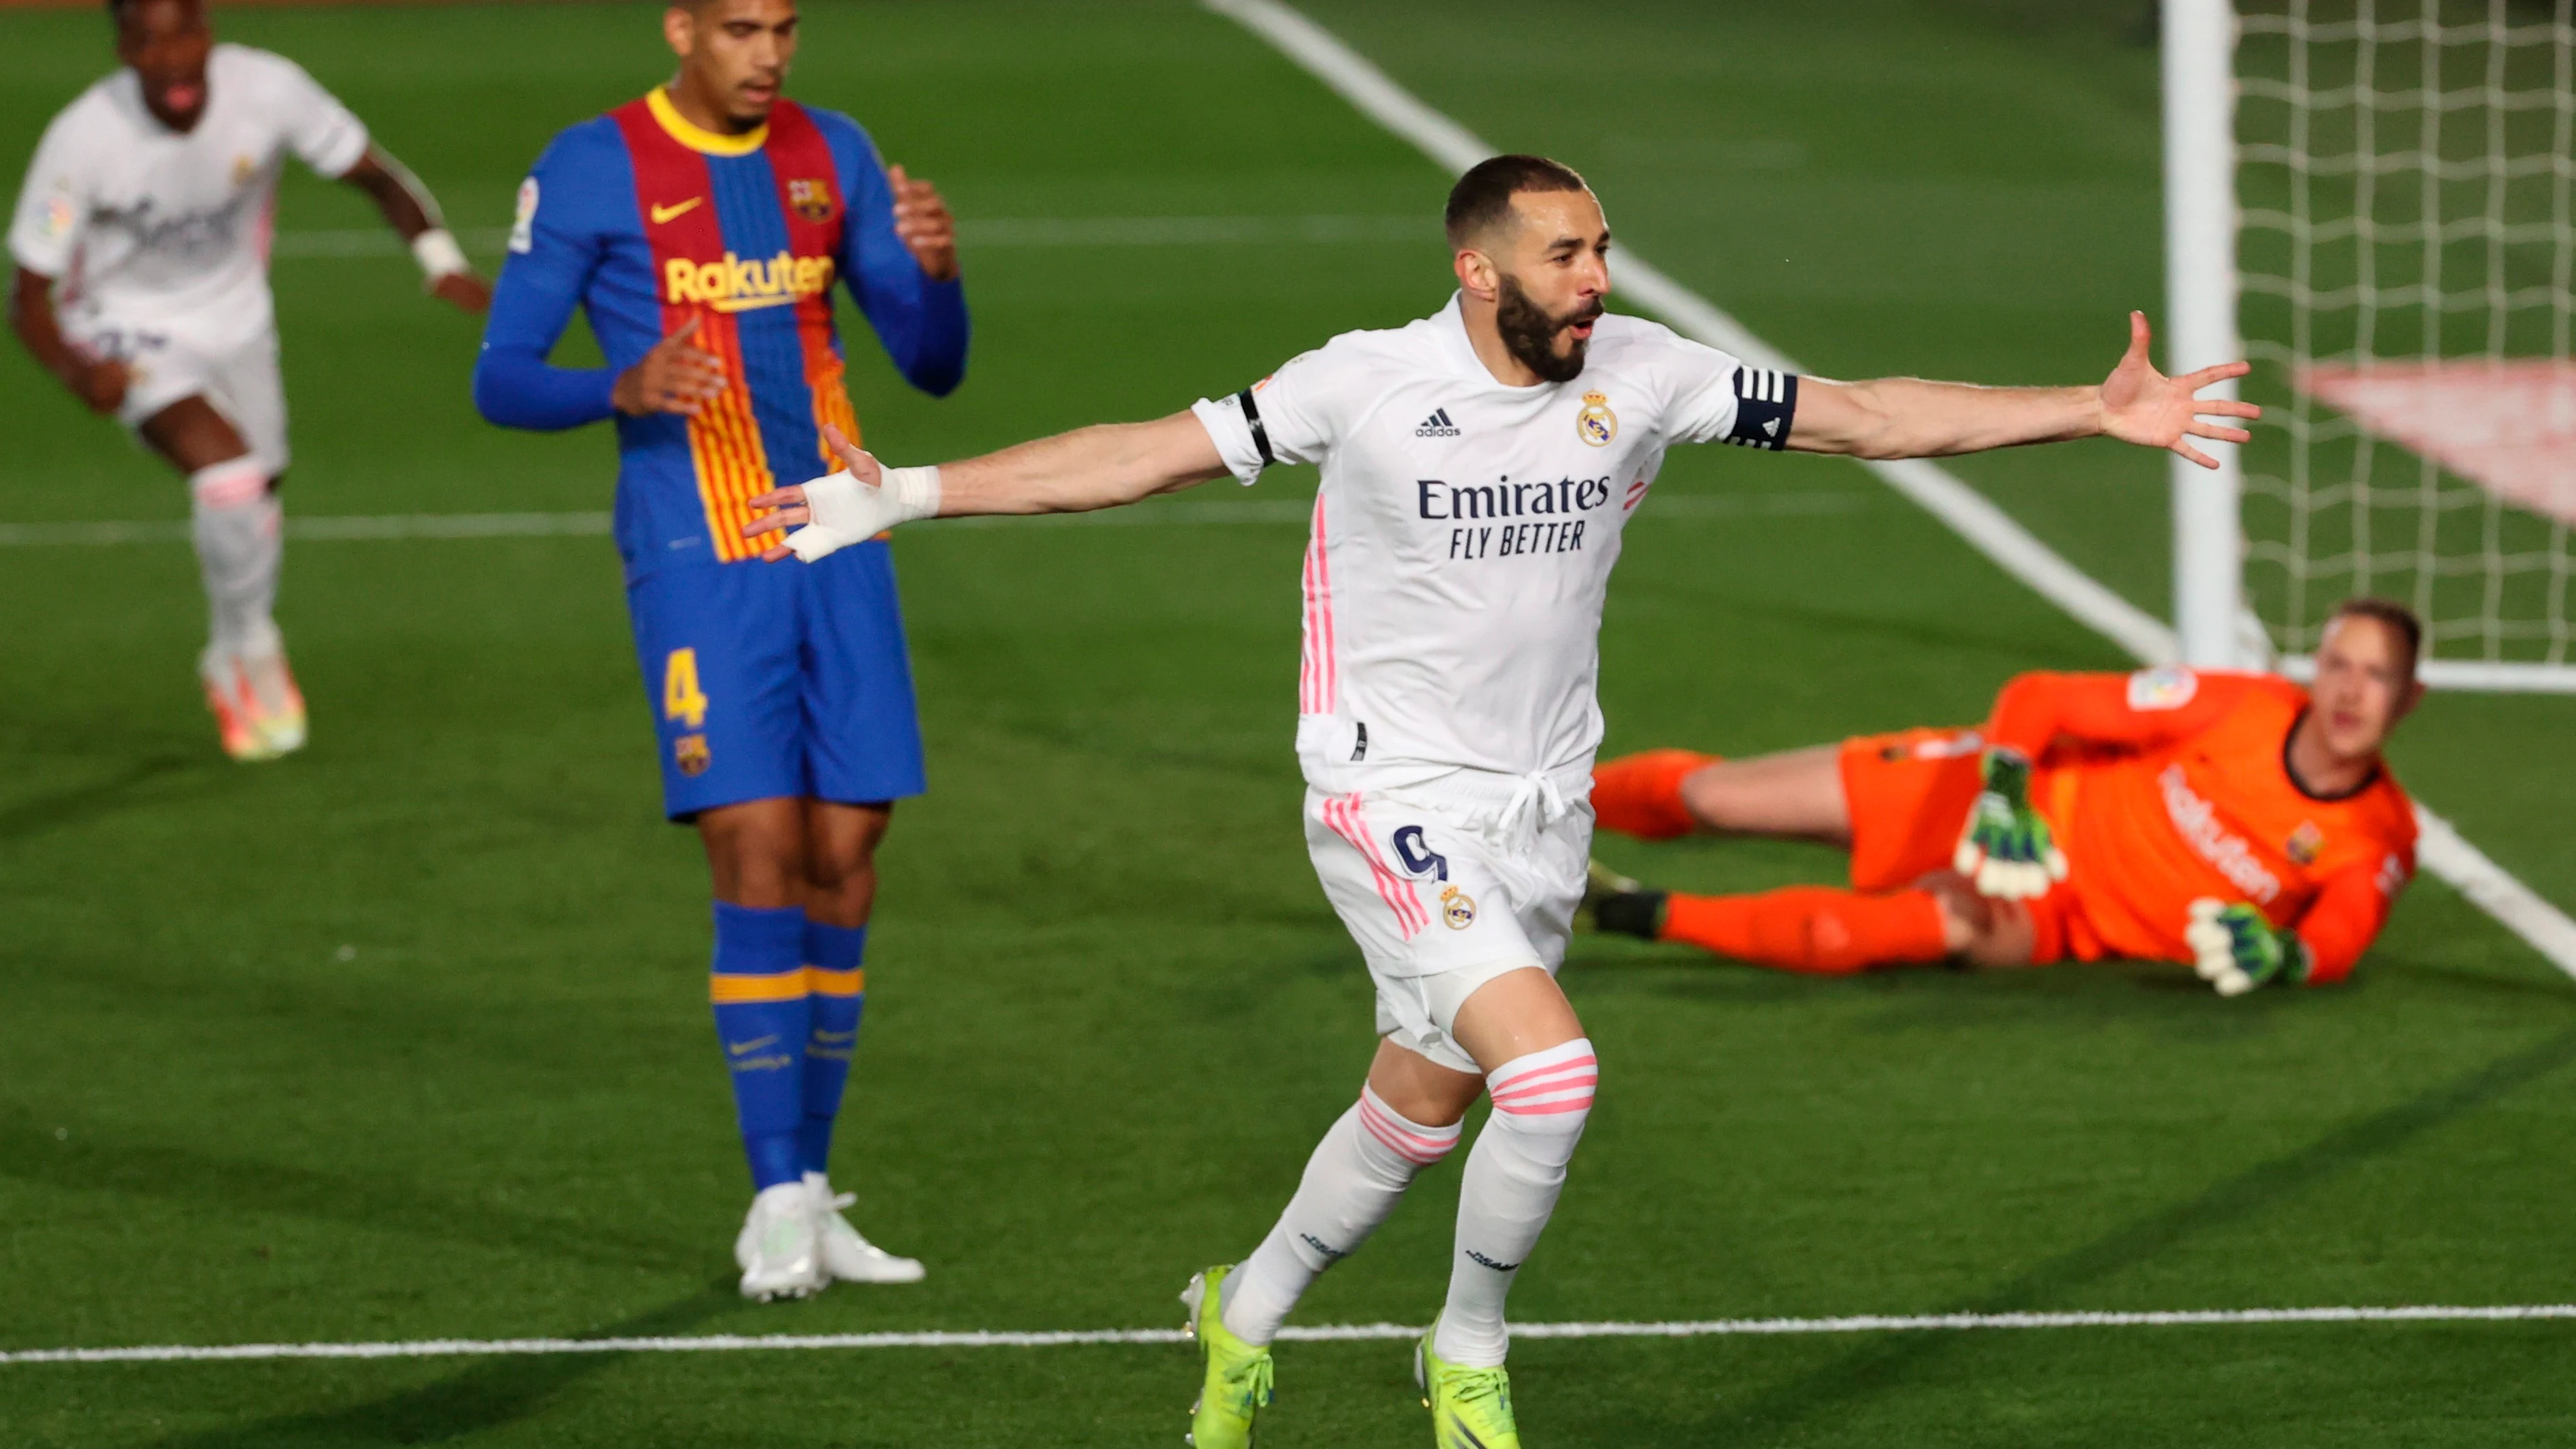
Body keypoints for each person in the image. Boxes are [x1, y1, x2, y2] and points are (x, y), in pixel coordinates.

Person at [742, 153, 2253, 1446]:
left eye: (1600, 249)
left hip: (1542, 814)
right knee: (1552, 1077)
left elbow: (1862, 413)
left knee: (1422, 1100)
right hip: (1384, 795)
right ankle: (1464, 1351)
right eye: (1567, 251)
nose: (1597, 275)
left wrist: (2085, 409)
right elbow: (1138, 455)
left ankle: (1240, 1309)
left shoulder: (1646, 373)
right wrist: (912, 493)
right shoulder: (1365, 383)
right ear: (1479, 269)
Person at [471, 0, 967, 1301]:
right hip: (697, 555)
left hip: (839, 534)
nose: (770, 53)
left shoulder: (831, 151)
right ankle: (771, 1196)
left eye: (787, 27)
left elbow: (931, 367)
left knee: (847, 853)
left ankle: (808, 1183)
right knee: (754, 842)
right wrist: (615, 386)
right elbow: (500, 373)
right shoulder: (593, 163)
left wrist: (940, 273)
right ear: (682, 26)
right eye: (743, 27)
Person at [8, 0, 490, 761]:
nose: (172, 59)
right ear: (123, 51)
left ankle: (234, 640)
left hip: (239, 323)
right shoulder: (83, 139)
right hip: (125, 327)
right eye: (149, 43)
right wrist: (76, 372)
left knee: (260, 490)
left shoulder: (268, 91)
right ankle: (247, 648)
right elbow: (26, 296)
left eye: (186, 35)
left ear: (211, 33)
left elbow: (377, 176)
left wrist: (440, 263)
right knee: (228, 478)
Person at [1586, 599, 2423, 995]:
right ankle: (1537, 803)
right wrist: (2006, 789)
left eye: (2377, 677)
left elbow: (2337, 940)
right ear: (2315, 671)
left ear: (2407, 699)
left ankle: (1623, 910)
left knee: (1868, 930)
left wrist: (2283, 958)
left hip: (2056, 914)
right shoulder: (2239, 705)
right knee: (1712, 798)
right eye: (2341, 666)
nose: (2351, 694)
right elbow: (2043, 696)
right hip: (1986, 794)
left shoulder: (2378, 836)